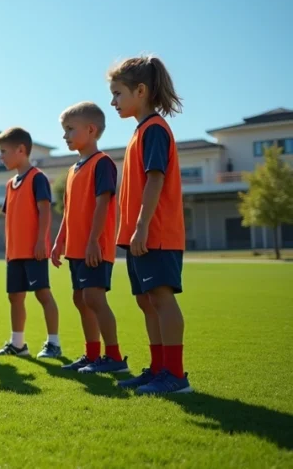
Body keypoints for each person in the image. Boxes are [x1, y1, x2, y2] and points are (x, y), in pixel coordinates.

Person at [109, 55, 192, 394]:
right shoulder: (138, 132)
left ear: (140, 90)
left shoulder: (154, 130)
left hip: (156, 234)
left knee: (161, 298)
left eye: (117, 94)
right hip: (139, 236)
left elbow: (155, 180)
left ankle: (175, 374)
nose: (113, 102)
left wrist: (142, 226)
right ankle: (159, 369)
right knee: (147, 301)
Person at [51, 102, 128, 374]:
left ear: (91, 130)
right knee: (80, 299)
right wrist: (59, 241)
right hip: (75, 248)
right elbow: (69, 212)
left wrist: (94, 240)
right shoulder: (73, 170)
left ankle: (115, 357)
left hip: (94, 247)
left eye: (70, 129)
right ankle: (92, 355)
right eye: (64, 130)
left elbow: (103, 202)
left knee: (95, 299)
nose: (65, 136)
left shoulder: (103, 163)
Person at [0, 127, 62, 358]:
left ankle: (53, 343)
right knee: (15, 296)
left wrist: (42, 241)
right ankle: (18, 344)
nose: (0, 157)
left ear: (21, 150)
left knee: (42, 294)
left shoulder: (37, 178)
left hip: (34, 251)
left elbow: (44, 211)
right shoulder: (9, 184)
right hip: (15, 253)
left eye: (3, 151)